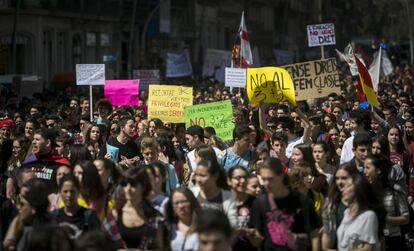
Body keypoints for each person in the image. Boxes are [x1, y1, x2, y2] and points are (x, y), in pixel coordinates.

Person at [249, 158, 321, 251]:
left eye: (270, 179)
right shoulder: (259, 204)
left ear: (281, 176)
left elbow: (314, 233)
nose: (266, 183)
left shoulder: (302, 201)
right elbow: (257, 240)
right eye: (264, 179)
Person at [102, 166, 165, 250]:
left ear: (143, 187)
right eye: (125, 184)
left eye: (133, 184)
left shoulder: (154, 216)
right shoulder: (115, 215)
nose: (128, 189)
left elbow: (161, 247)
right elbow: (102, 245)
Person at [364, 154, 410, 251]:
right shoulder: (365, 191)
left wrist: (384, 219)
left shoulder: (395, 191)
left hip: (393, 240)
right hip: (371, 239)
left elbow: (406, 218)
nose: (365, 172)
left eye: (368, 168)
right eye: (364, 168)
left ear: (379, 170)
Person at [336, 174, 386, 251]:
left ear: (358, 190)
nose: (343, 189)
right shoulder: (346, 213)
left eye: (348, 186)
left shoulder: (368, 216)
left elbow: (368, 247)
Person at [18, 128, 71, 194]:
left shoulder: (62, 165)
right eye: (34, 139)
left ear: (48, 143)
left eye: (37, 139)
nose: (33, 142)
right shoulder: (28, 163)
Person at [3, 179, 51, 251]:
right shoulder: (20, 221)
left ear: (34, 207)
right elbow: (7, 245)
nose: (18, 207)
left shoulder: (47, 231)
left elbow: (8, 246)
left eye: (22, 204)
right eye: (18, 200)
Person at [50, 173, 101, 240]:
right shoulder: (54, 216)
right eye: (65, 191)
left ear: (78, 191)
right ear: (59, 192)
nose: (69, 195)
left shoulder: (90, 216)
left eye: (72, 191)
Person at [321, 163, 358, 250]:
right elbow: (327, 233)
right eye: (337, 178)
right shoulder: (330, 203)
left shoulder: (363, 203)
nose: (340, 182)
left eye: (344, 178)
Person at [191, 159, 238, 228]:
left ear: (215, 176)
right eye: (197, 175)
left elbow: (233, 225)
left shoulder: (228, 196)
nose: (198, 179)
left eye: (203, 175)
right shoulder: (192, 193)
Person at [228, 166, 260, 251]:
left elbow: (260, 237)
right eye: (238, 178)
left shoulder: (256, 203)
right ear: (229, 181)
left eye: (245, 178)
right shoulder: (223, 202)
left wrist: (247, 232)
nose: (242, 181)